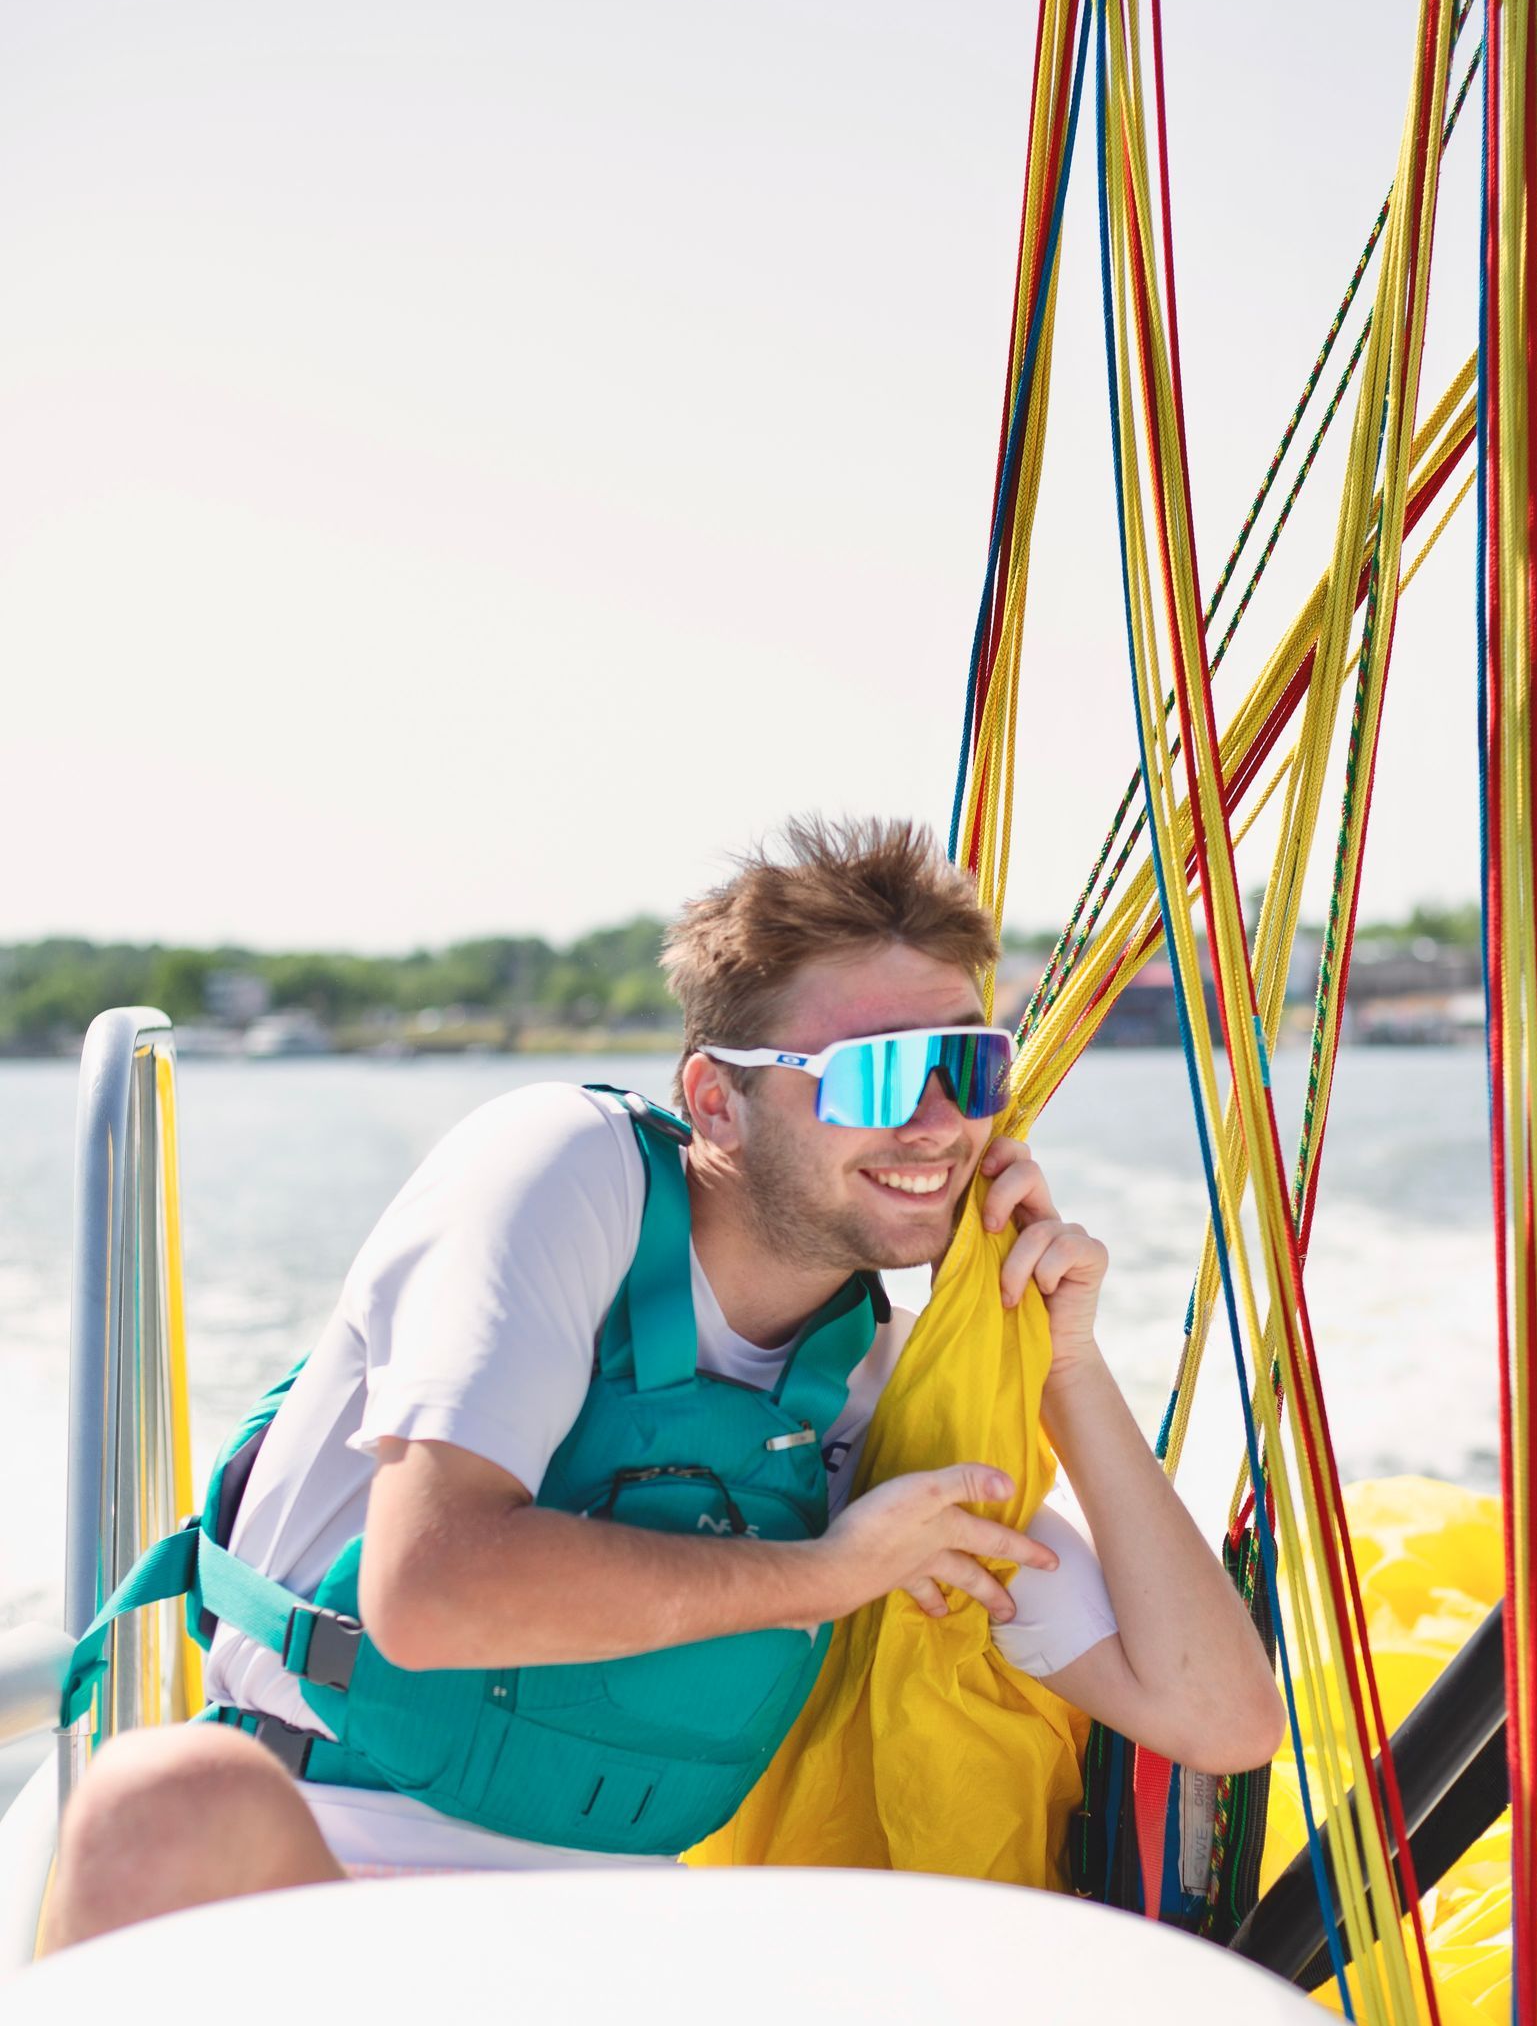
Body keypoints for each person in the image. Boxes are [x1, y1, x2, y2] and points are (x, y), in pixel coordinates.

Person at [50, 818, 1283, 1946]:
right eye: (871, 1077)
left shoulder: (873, 1392)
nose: (935, 1127)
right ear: (716, 1101)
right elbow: (426, 1593)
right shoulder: (559, 1177)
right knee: (167, 1797)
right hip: (316, 1865)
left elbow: (1219, 1718)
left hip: (629, 1953)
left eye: (968, 1071)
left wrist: (1062, 1364)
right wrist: (829, 1574)